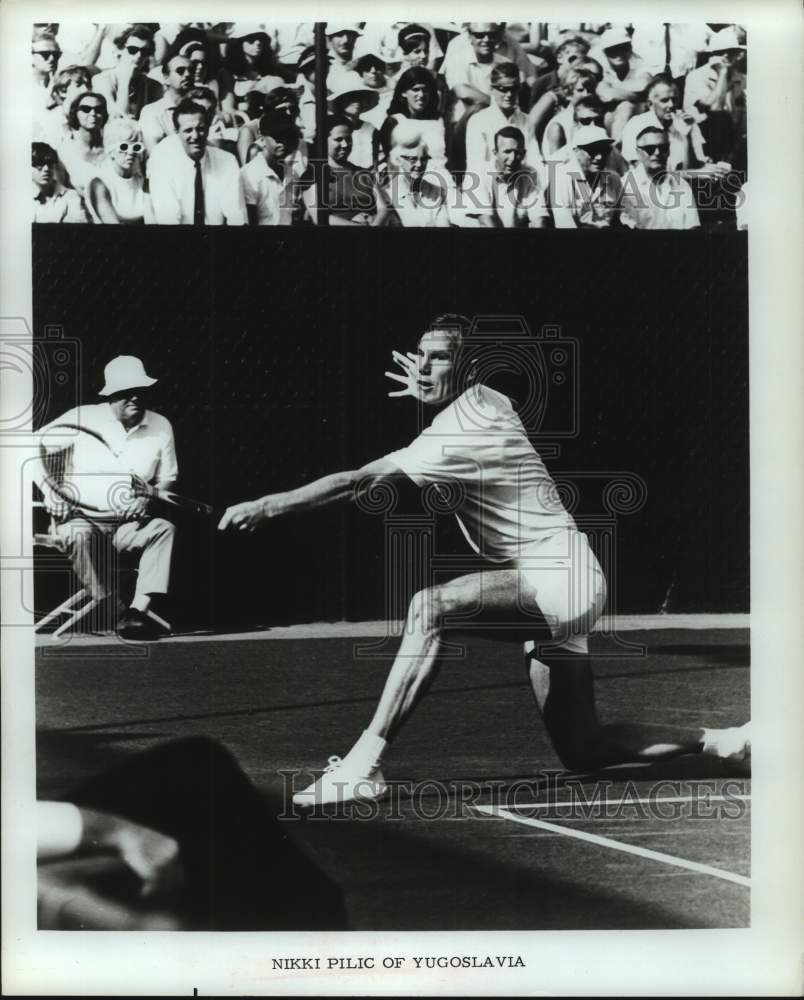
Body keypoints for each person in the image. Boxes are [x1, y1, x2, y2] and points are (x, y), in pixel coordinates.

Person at [218, 314, 751, 807]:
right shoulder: (489, 398)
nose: (423, 368)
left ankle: (364, 764)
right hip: (567, 575)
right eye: (418, 357)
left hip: (554, 578)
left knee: (431, 608)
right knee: (584, 748)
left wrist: (269, 505)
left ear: (468, 367)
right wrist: (434, 384)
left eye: (438, 359)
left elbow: (361, 483)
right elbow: (451, 400)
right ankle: (726, 743)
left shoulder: (461, 427)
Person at [37, 355, 178, 640]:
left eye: (141, 391)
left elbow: (167, 479)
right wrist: (49, 490)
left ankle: (137, 612)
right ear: (111, 396)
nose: (136, 398)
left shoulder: (162, 426)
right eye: (127, 393)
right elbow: (25, 449)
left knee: (163, 529)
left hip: (127, 526)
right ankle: (117, 610)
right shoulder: (84, 416)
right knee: (78, 533)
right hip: (80, 521)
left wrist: (147, 498)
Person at [147, 98, 246, 226]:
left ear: (208, 129)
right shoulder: (162, 162)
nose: (195, 136)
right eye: (188, 130)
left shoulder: (227, 161)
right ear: (177, 133)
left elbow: (236, 216)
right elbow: (168, 220)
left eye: (200, 129)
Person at [302, 115, 386, 227]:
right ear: (323, 141)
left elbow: (384, 209)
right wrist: (358, 228)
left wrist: (374, 227)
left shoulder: (364, 173)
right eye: (338, 139)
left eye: (348, 139)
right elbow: (318, 216)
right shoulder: (314, 174)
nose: (345, 145)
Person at [464, 62, 541, 183]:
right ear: (491, 89)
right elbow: (476, 167)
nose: (509, 95)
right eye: (503, 89)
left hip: (521, 184)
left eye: (514, 88)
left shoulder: (526, 120)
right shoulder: (478, 121)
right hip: (487, 186)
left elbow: (535, 161)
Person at [619, 125, 700, 230]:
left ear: (669, 151)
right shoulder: (625, 186)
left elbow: (692, 227)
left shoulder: (682, 185)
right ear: (638, 153)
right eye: (650, 149)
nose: (657, 153)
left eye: (663, 148)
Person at [466, 126, 548, 229]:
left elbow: (539, 218)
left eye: (518, 152)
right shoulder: (478, 173)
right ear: (495, 152)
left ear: (524, 154)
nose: (512, 158)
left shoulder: (530, 175)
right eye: (507, 152)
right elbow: (485, 220)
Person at [620, 75, 707, 171]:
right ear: (650, 104)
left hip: (682, 183)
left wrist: (687, 137)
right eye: (664, 100)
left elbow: (693, 168)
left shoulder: (687, 122)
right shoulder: (636, 125)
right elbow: (641, 171)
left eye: (675, 99)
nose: (671, 105)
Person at [377, 122, 450, 227]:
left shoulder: (437, 191)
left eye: (423, 159)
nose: (419, 164)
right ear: (397, 159)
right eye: (412, 159)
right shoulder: (387, 193)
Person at [550, 124, 622, 229]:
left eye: (604, 150)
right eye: (592, 151)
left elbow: (619, 221)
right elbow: (564, 225)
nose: (599, 157)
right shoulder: (562, 179)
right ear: (576, 151)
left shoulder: (614, 179)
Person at [241, 111, 305, 226]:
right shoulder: (248, 175)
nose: (283, 143)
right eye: (277, 137)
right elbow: (250, 224)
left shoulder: (293, 174)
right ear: (262, 137)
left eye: (287, 137)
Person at [591, 27, 651, 141]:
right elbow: (607, 96)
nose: (618, 54)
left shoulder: (638, 62)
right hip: (609, 114)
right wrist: (639, 96)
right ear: (604, 52)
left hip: (638, 111)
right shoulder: (602, 65)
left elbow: (644, 84)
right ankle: (616, 149)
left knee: (628, 106)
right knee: (626, 106)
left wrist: (613, 87)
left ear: (630, 49)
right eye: (612, 50)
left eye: (623, 48)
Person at [93, 25, 163, 119]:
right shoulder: (101, 80)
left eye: (145, 51)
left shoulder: (154, 86)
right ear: (119, 50)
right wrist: (124, 82)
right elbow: (118, 120)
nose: (138, 55)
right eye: (132, 50)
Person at [85, 118, 147, 224]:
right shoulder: (99, 184)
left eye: (136, 147)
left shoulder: (143, 182)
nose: (131, 152)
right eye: (124, 146)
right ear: (110, 150)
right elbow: (113, 227)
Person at [218, 24, 285, 116]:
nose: (258, 43)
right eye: (251, 39)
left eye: (261, 39)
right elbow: (228, 110)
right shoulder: (227, 73)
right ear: (239, 42)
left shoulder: (270, 70)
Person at [138, 53, 195, 153]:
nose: (187, 74)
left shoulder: (203, 107)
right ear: (166, 78)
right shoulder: (152, 112)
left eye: (191, 70)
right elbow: (154, 152)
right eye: (180, 71)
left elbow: (215, 146)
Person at [57, 91, 109, 197]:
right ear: (75, 113)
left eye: (98, 110)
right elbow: (63, 188)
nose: (93, 113)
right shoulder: (65, 149)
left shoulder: (112, 146)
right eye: (86, 109)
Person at [34, 65, 92, 148]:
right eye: (78, 85)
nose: (86, 90)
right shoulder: (52, 119)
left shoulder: (89, 114)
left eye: (88, 85)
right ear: (62, 91)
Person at [327, 78, 379, 169]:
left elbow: (376, 158)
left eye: (360, 97)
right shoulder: (330, 126)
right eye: (351, 97)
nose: (357, 102)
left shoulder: (370, 128)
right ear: (341, 101)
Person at [32, 142, 89, 223]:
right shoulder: (21, 198)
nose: (46, 169)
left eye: (50, 163)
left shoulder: (70, 197)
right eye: (39, 163)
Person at [324, 23, 363, 94]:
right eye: (340, 35)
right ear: (329, 39)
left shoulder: (363, 65)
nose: (345, 40)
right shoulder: (322, 68)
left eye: (350, 34)